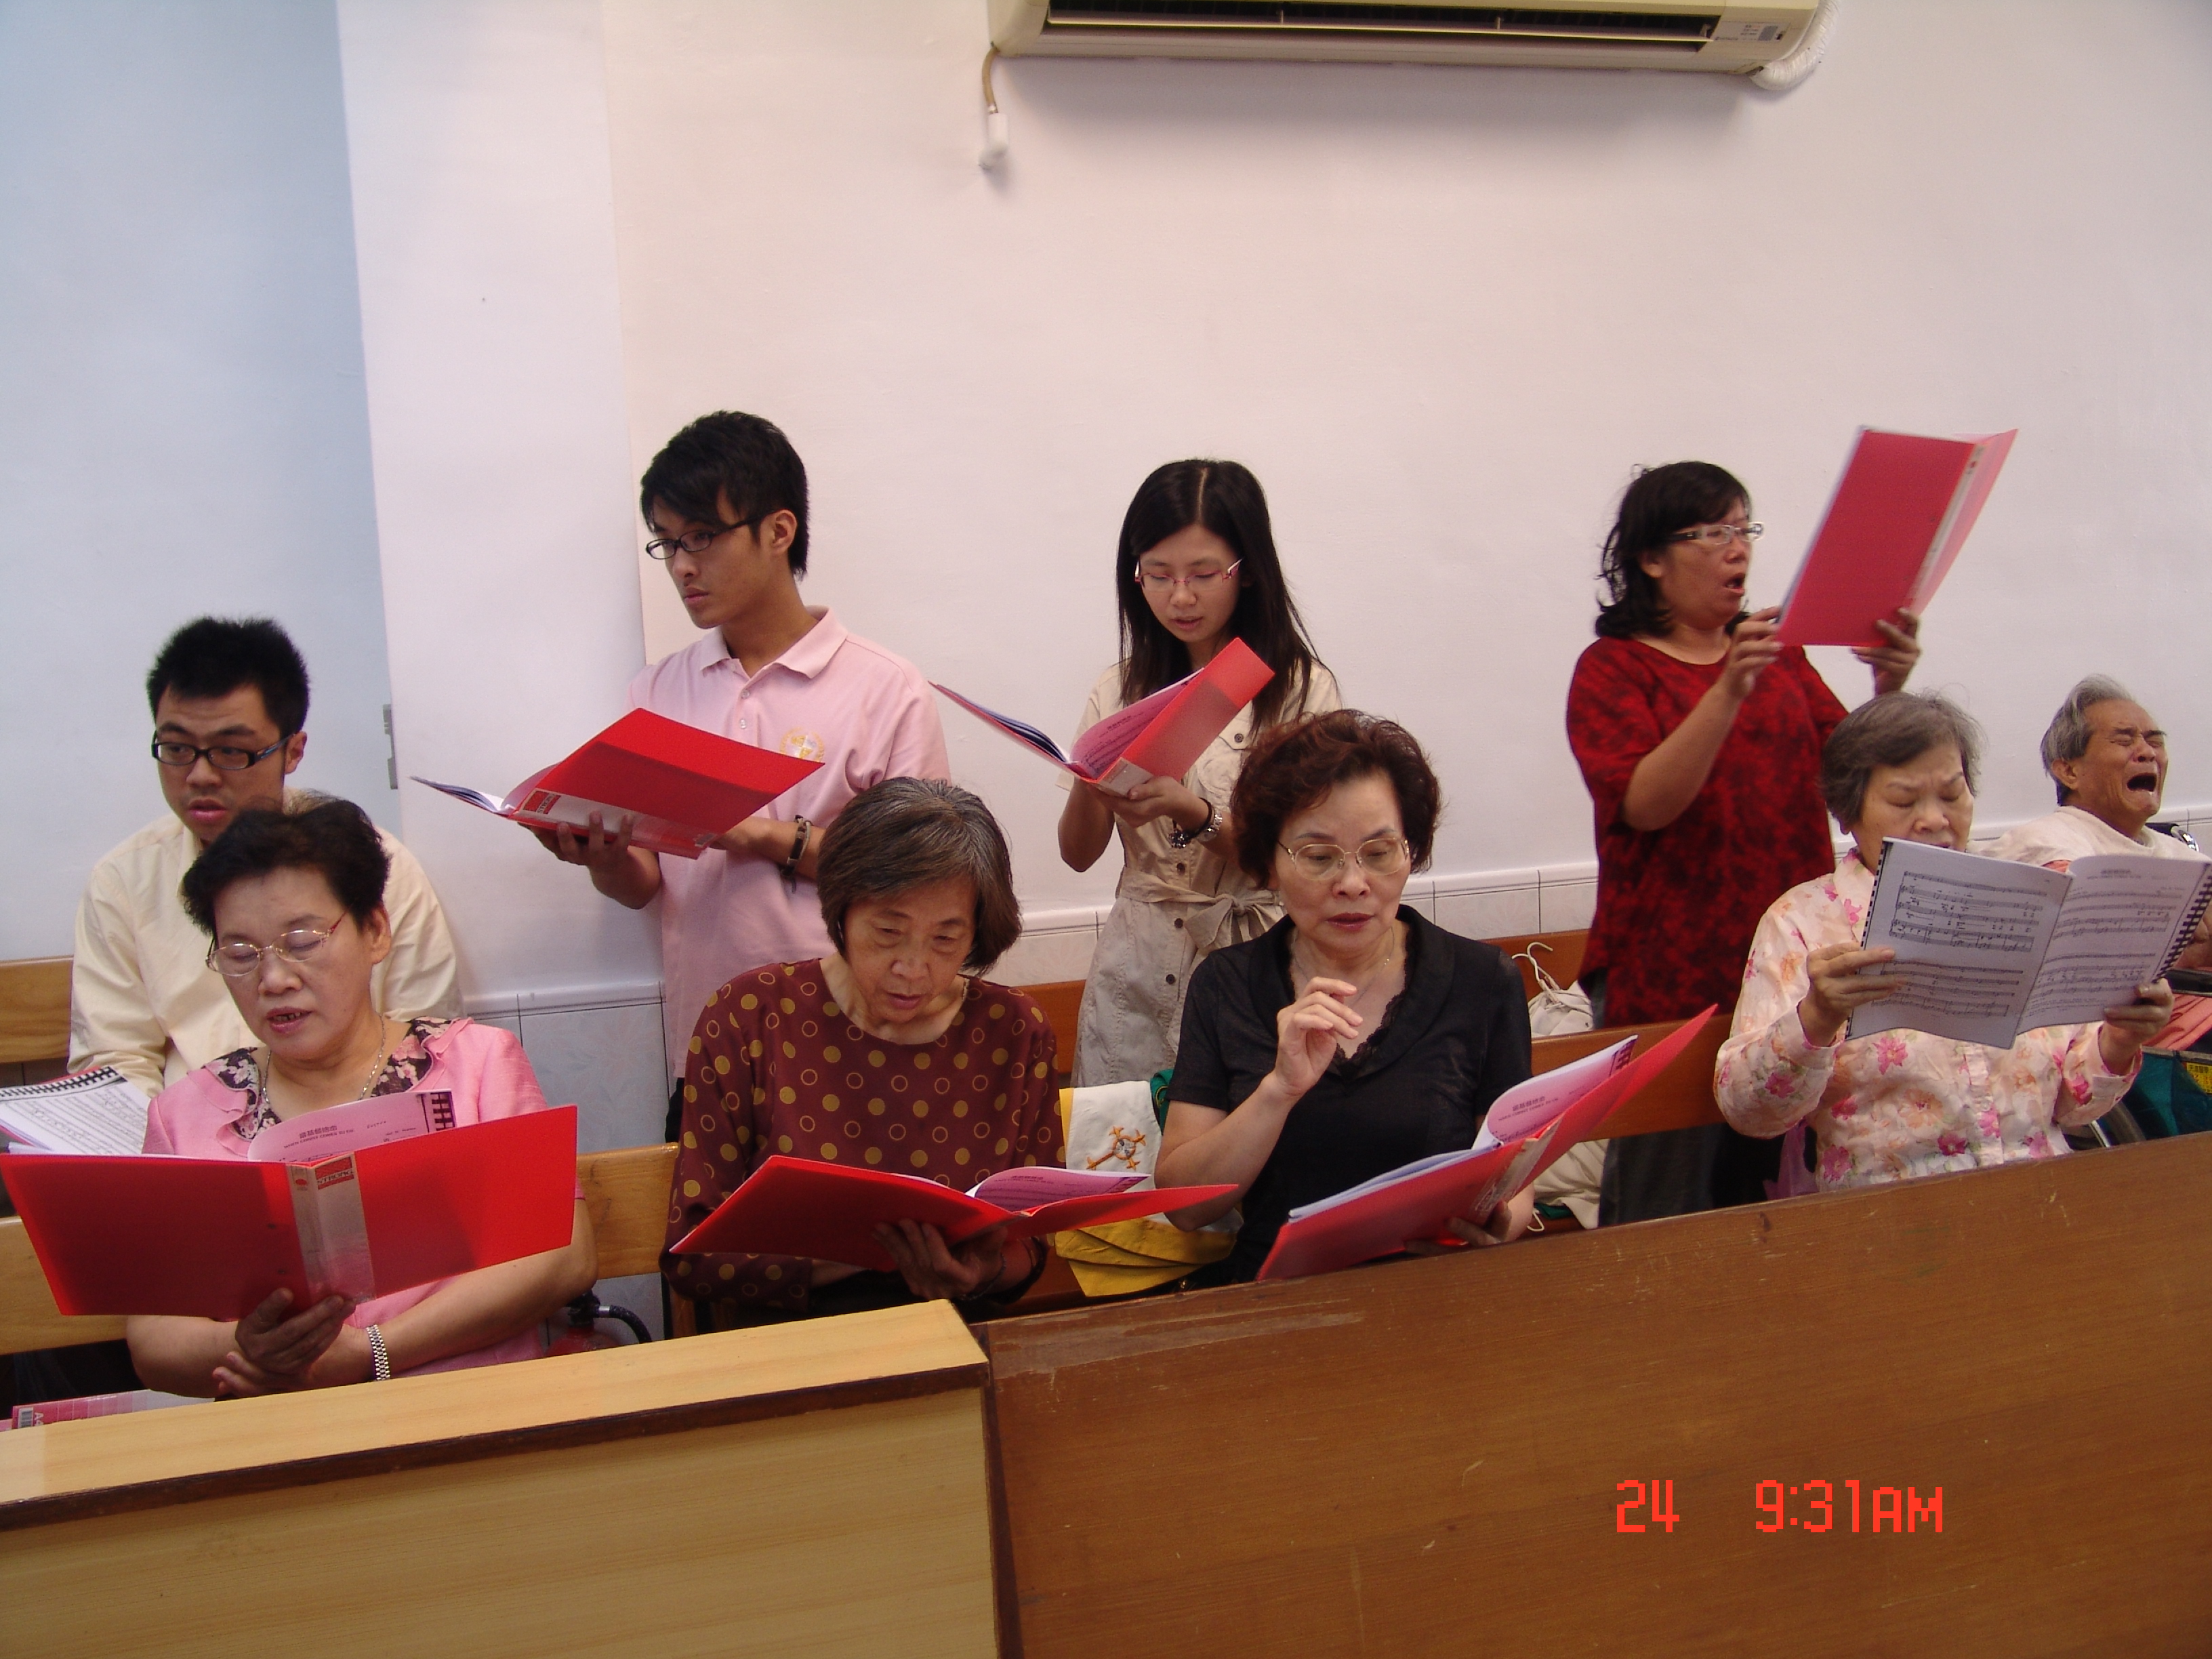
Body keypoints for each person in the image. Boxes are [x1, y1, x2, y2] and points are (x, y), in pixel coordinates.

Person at [535, 412, 949, 1092]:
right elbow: (644, 884)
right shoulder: (658, 691)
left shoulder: (885, 688)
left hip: (854, 1048)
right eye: (666, 542)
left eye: (701, 536)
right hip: (709, 1050)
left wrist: (754, 834)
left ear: (778, 531)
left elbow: (917, 880)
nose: (682, 565)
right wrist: (605, 859)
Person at [127, 799, 596, 1395]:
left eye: (302, 941)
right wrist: (254, 1349)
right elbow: (153, 1338)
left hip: (469, 1410)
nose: (274, 980)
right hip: (281, 1429)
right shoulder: (184, 1114)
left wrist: (373, 1352)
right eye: (241, 955)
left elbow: (564, 1254)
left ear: (375, 932)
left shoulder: (477, 1065)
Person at [1564, 462, 1921, 1223]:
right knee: (1667, 1201)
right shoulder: (1614, 669)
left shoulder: (1779, 656)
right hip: (1671, 978)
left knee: (1780, 1187)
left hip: (1792, 966)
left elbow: (1853, 776)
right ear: (1651, 559)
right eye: (1714, 532)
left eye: (1744, 528)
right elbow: (1645, 804)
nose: (1738, 549)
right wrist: (1728, 689)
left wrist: (1889, 687)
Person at [1715, 693, 2168, 1188]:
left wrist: (2120, 1040)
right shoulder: (1804, 920)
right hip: (1887, 1208)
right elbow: (1751, 1112)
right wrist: (1817, 1017)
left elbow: (2072, 1107)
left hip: (2041, 1196)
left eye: (1953, 795)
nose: (1935, 819)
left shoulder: (2024, 898)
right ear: (1848, 813)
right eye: (1903, 801)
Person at [662, 778, 1061, 1325]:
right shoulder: (751, 1016)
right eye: (888, 932)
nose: (912, 968)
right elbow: (691, 1254)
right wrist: (869, 1257)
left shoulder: (1013, 1031)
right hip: (789, 1344)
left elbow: (1033, 1241)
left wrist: (980, 1273)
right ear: (842, 912)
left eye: (946, 940)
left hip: (958, 1334)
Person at [1154, 712, 1534, 1285]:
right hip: (1280, 1298)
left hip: (1437, 1291)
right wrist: (1278, 1091)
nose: (1353, 883)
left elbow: (1517, 1179)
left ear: (1410, 852)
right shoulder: (1227, 985)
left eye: (1379, 853)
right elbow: (1185, 1207)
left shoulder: (1483, 981)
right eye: (1319, 856)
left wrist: (1500, 1225)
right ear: (1270, 864)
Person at [72, 617, 459, 1099]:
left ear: (292, 750)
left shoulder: (378, 867)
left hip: (359, 1122)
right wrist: (181, 1137)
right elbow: (114, 1064)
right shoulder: (123, 881)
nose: (200, 775)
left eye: (231, 751)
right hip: (194, 1135)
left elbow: (429, 1042)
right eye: (177, 748)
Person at [1057, 459, 1338, 1087]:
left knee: (1245, 1129)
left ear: (1248, 571)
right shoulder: (1120, 688)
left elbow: (1304, 863)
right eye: (1157, 575)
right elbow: (1076, 855)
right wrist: (1089, 772)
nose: (1179, 597)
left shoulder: (1299, 693)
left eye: (1204, 575)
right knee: (1126, 1137)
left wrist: (1194, 812)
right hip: (1135, 965)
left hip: (1252, 957)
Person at [1991, 677, 2211, 970]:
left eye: (2155, 742)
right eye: (2124, 741)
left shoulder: (2191, 862)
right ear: (2069, 771)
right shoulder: (2041, 844)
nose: (2148, 753)